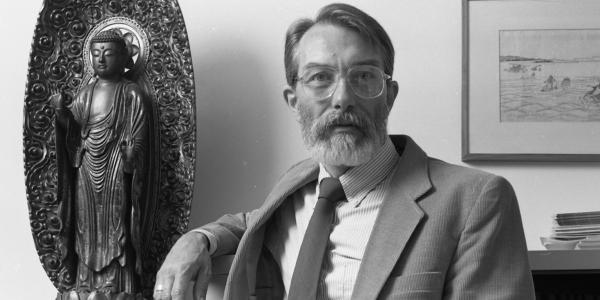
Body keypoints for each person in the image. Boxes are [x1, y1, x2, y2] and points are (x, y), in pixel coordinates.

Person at [154, 3, 535, 300]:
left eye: (364, 77)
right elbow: (245, 221)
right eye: (320, 78)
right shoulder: (297, 189)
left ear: (390, 96)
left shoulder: (475, 200)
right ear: (293, 101)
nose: (342, 99)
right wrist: (196, 239)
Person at [50, 30, 149, 298]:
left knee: (116, 226)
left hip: (117, 168)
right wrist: (61, 113)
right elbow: (74, 131)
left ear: (124, 57)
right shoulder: (86, 92)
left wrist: (131, 155)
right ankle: (85, 282)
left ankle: (115, 284)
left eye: (109, 53)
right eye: (96, 54)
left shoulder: (131, 93)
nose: (101, 59)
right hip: (85, 166)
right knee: (85, 227)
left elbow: (139, 137)